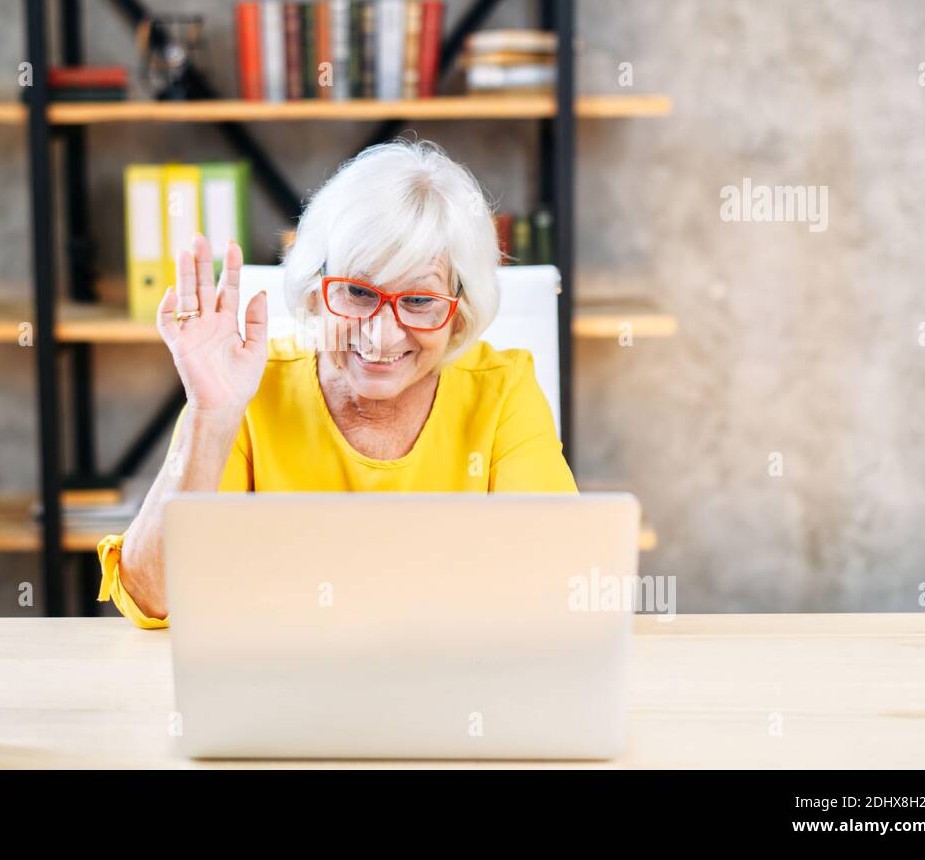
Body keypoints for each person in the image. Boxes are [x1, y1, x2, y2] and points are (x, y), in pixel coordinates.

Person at [99, 139, 577, 627]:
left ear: (460, 314)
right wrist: (211, 415)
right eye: (356, 291)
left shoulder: (502, 390)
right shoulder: (249, 387)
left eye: (418, 301)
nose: (380, 333)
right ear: (314, 289)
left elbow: (558, 586)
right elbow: (154, 599)